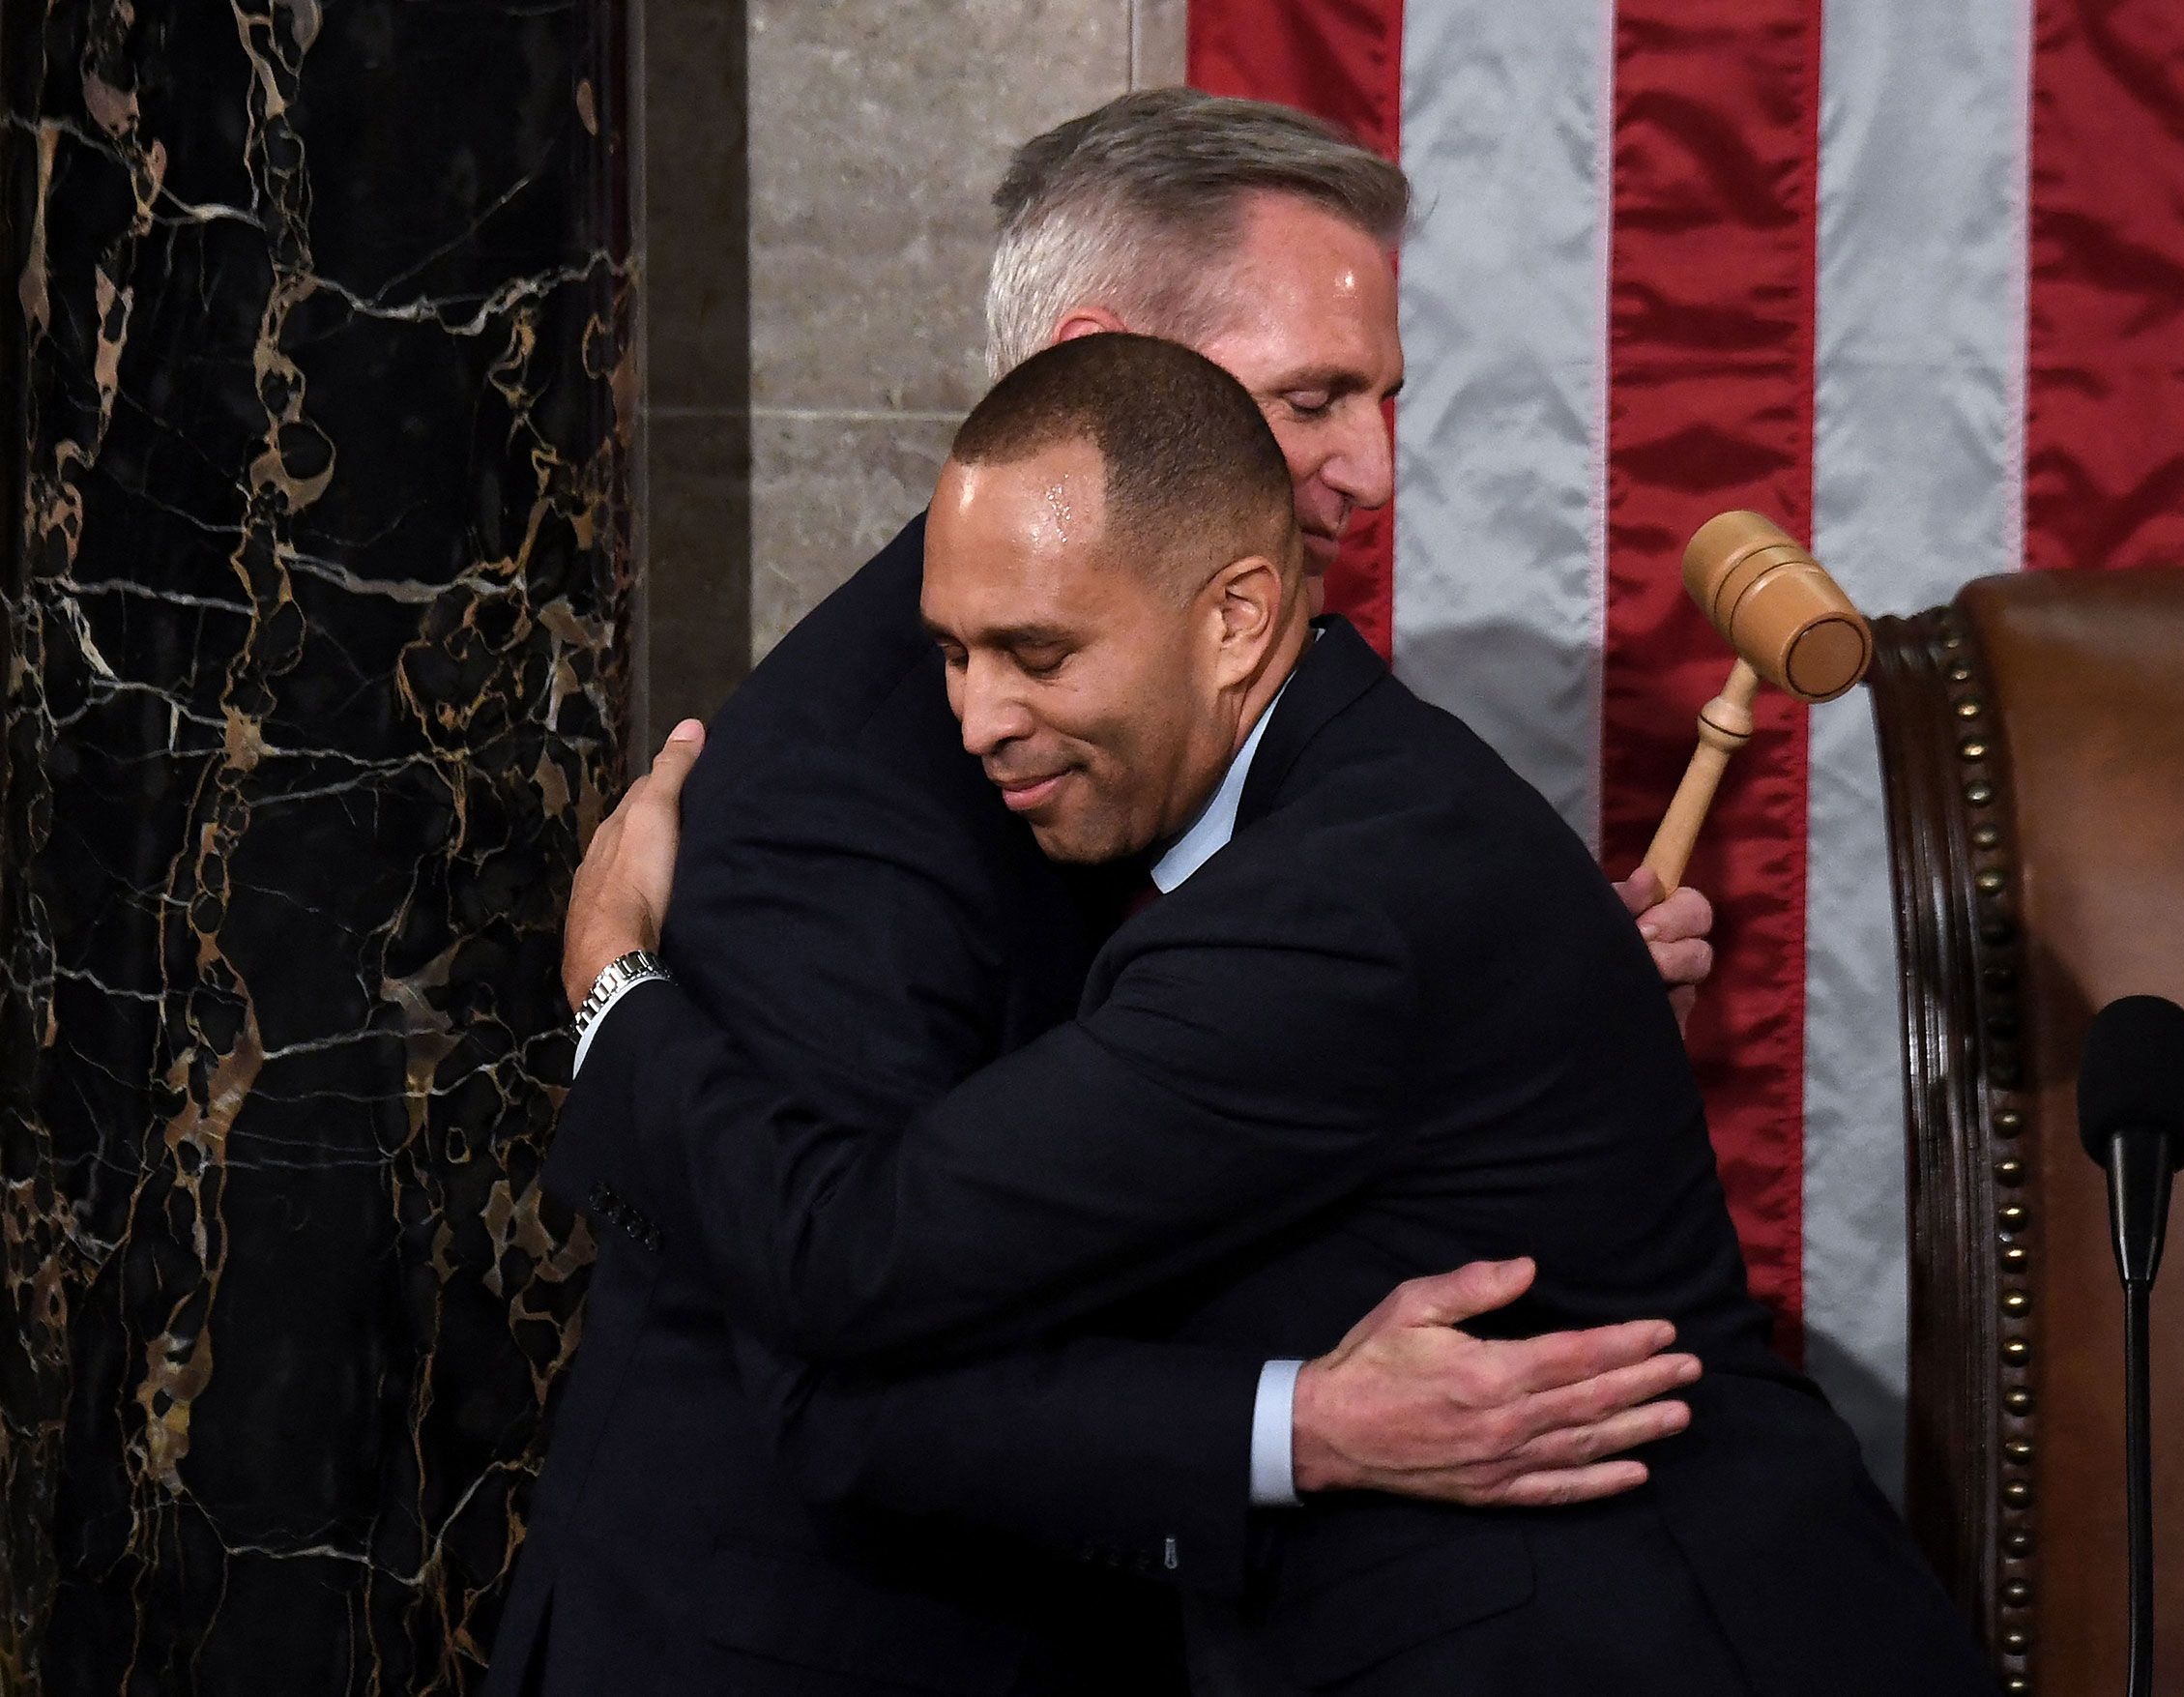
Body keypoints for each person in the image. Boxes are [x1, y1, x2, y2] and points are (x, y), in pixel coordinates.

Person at [485, 93, 1717, 1697]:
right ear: (1097, 362)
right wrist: (608, 999)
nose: (1377, 464)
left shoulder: (1225, 696)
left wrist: (1499, 1015)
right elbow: (831, 1341)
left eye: (1383, 398)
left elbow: (1187, 1112)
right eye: (1313, 397)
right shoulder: (839, 790)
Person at [555, 333, 1995, 1695]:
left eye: (1040, 655)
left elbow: (846, 1246)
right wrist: (1298, 1424)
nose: (979, 715)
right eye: (952, 652)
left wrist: (615, 989)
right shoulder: (1340, 811)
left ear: (1236, 617)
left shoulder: (1330, 915)